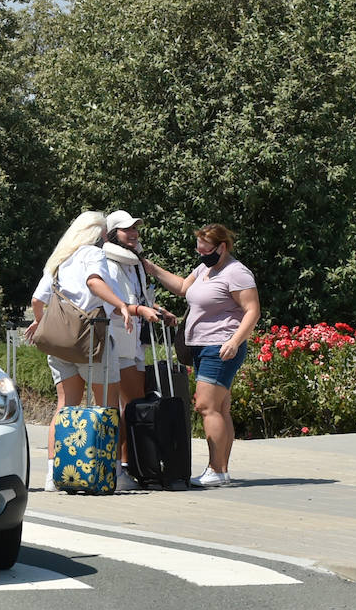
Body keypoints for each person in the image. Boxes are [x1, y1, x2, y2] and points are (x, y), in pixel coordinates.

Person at [27, 211, 155, 492]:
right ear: (99, 234)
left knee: (65, 406)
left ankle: (54, 474)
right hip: (92, 341)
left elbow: (38, 299)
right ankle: (112, 475)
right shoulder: (92, 254)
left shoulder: (59, 260)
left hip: (61, 344)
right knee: (106, 407)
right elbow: (94, 282)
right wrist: (121, 305)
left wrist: (39, 321)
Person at [142, 223, 260, 487]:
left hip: (220, 347)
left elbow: (252, 311)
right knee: (220, 408)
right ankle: (222, 471)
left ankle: (215, 469)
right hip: (201, 346)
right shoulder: (205, 269)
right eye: (199, 248)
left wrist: (234, 341)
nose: (202, 253)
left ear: (222, 247)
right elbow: (183, 287)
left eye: (207, 249)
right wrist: (152, 268)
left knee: (206, 406)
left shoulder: (237, 273)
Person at [103, 211, 177, 445]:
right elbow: (115, 304)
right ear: (113, 234)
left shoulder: (134, 262)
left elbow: (139, 298)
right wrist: (142, 311)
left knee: (133, 403)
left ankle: (130, 462)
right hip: (119, 338)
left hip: (136, 340)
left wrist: (157, 309)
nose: (134, 233)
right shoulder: (109, 264)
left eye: (135, 228)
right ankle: (121, 465)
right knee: (130, 402)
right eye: (127, 229)